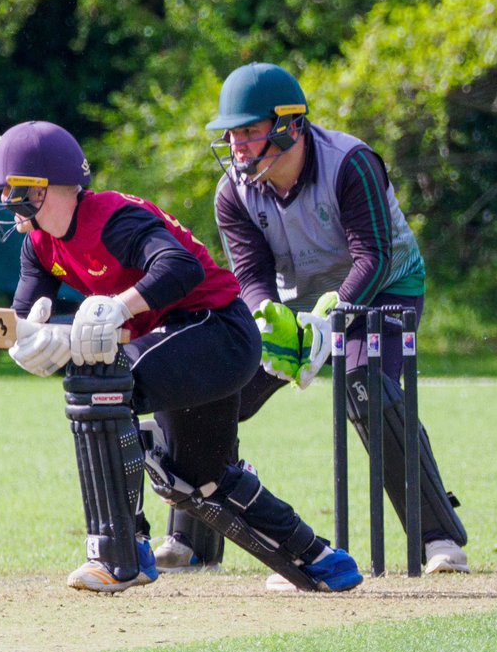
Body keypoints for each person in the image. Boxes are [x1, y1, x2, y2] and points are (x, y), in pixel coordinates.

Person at [0, 119, 363, 594]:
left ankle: (122, 552)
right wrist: (30, 342)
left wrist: (119, 305)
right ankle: (322, 560)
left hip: (218, 330)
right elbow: (26, 314)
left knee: (100, 385)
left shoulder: (113, 219)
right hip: (183, 339)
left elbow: (177, 266)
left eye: (10, 188)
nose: (2, 200)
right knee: (201, 481)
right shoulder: (39, 244)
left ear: (44, 188)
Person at [154, 62, 470, 584]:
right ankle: (191, 539)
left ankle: (436, 538)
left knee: (368, 388)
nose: (237, 146)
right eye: (232, 134)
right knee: (212, 384)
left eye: (250, 132)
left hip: (385, 289)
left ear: (289, 126)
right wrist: (269, 320)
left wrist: (332, 323)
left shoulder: (351, 163)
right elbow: (250, 274)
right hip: (297, 301)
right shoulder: (233, 191)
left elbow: (372, 256)